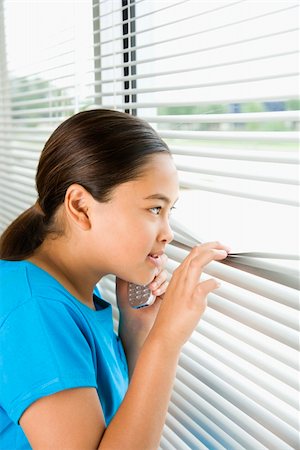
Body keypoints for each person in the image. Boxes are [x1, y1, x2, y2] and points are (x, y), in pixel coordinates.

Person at [0, 109, 229, 449]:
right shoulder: (36, 310)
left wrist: (137, 332)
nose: (167, 234)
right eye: (154, 209)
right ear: (81, 207)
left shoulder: (74, 292)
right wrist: (165, 341)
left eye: (170, 211)